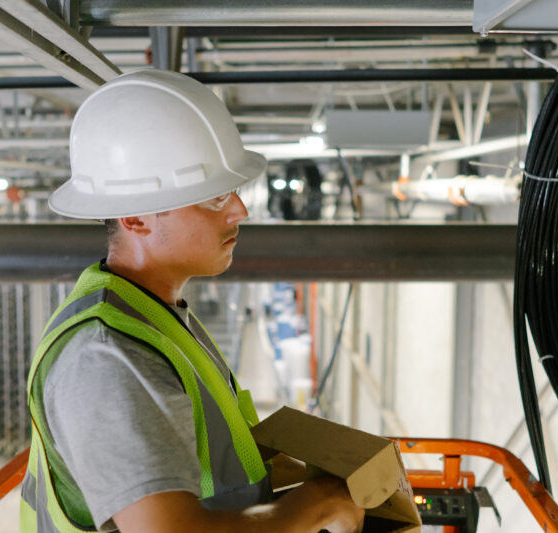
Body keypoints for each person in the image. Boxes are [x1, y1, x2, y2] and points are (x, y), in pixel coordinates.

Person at [19, 68, 365, 533]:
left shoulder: (156, 316)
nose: (239, 209)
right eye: (214, 196)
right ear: (136, 218)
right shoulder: (104, 356)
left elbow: (220, 462)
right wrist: (317, 505)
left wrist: (303, 482)